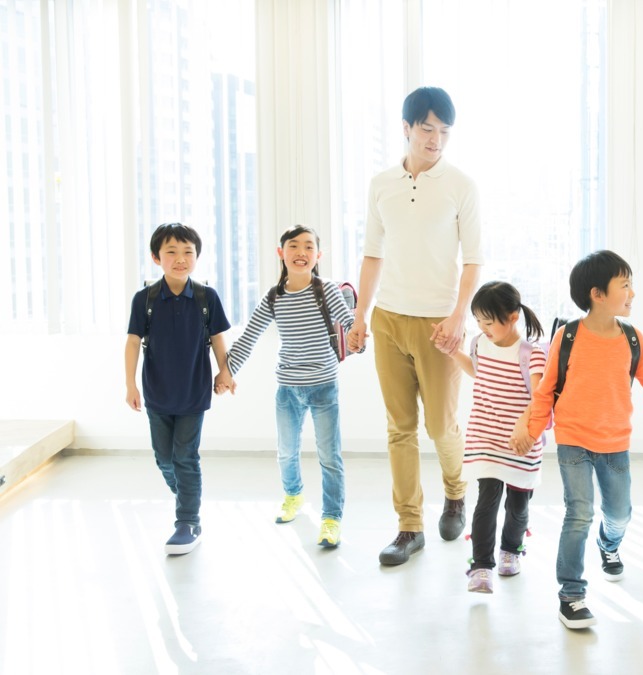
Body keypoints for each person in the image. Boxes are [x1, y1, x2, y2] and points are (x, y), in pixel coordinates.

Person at [526, 250, 643, 630]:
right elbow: (545, 392)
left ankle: (608, 545)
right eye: (624, 285)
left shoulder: (632, 339)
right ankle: (571, 595)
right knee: (579, 514)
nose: (632, 293)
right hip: (573, 439)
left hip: (615, 443)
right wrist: (530, 432)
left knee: (620, 513)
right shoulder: (567, 336)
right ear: (597, 294)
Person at [345, 87, 484, 566]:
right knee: (400, 428)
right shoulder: (381, 184)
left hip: (439, 323)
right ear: (406, 128)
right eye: (427, 129)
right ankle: (409, 526)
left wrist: (458, 316)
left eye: (444, 132)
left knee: (441, 425)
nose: (436, 140)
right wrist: (360, 316)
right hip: (388, 319)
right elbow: (372, 255)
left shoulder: (461, 186)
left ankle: (456, 492)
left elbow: (474, 260)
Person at [227, 225, 355, 548]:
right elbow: (249, 337)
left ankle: (331, 518)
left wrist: (360, 336)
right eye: (294, 246)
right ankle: (293, 495)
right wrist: (226, 371)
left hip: (324, 386)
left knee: (330, 457)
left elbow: (351, 326)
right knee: (286, 452)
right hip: (287, 389)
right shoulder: (274, 297)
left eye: (309, 246)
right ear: (280, 252)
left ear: (318, 255)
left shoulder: (327, 290)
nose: (301, 252)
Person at [124, 222, 233, 555]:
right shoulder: (144, 299)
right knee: (164, 458)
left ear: (197, 256)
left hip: (193, 392)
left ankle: (188, 521)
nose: (181, 258)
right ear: (156, 257)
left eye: (188, 251)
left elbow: (218, 339)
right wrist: (130, 384)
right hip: (156, 392)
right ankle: (187, 493)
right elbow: (132, 342)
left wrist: (225, 372)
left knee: (185, 456)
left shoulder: (205, 297)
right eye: (171, 251)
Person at [446, 282, 546, 593]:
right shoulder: (479, 343)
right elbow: (479, 371)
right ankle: (481, 567)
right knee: (486, 501)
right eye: (478, 321)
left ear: (513, 317)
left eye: (488, 322)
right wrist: (452, 352)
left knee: (518, 506)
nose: (482, 328)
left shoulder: (532, 353)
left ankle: (511, 550)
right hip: (485, 436)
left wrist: (523, 427)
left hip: (520, 443)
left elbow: (540, 398)